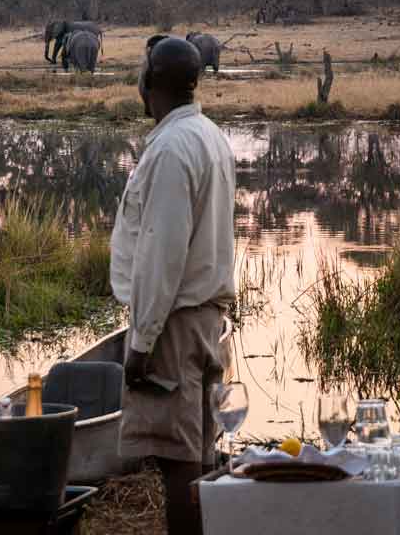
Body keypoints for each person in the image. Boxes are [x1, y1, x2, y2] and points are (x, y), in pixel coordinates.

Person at [110, 37, 236, 535]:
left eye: (142, 72)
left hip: (175, 324)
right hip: (203, 318)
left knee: (179, 459)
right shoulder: (208, 134)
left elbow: (162, 255)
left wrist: (141, 341)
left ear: (151, 83)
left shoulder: (170, 148)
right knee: (199, 450)